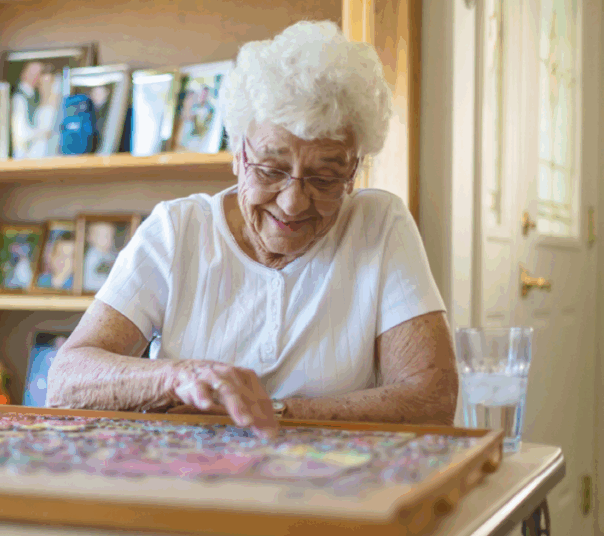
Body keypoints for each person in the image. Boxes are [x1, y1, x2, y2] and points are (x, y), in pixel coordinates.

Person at [46, 21, 458, 434]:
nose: (293, 202)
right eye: (271, 170)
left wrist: (272, 412)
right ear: (238, 154)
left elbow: (432, 400)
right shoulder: (178, 229)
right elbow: (66, 382)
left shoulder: (379, 224)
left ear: (353, 174)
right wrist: (177, 378)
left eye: (325, 178)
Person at [11, 61, 44, 159]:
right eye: (33, 74)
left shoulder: (35, 96)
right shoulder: (19, 97)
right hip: (23, 154)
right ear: (23, 74)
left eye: (38, 74)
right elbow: (20, 133)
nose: (37, 77)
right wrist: (41, 133)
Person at [28, 70, 62, 158]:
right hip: (36, 147)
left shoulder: (56, 103)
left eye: (47, 83)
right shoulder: (37, 102)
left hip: (49, 149)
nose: (43, 87)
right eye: (41, 84)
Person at [81, 221, 120, 292]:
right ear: (90, 238)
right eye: (105, 236)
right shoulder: (92, 256)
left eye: (111, 236)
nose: (109, 240)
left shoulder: (109, 253)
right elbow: (88, 283)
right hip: (94, 291)